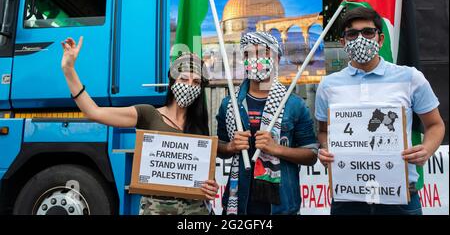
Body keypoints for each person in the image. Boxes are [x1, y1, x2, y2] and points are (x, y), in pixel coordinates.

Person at [61, 36, 219, 215]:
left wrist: (210, 187)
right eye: (184, 79)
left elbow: (207, 177)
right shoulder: (148, 114)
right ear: (173, 82)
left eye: (196, 82)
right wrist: (69, 69)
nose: (189, 86)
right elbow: (93, 112)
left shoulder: (199, 127)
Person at [315, 7, 445, 215]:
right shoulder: (328, 85)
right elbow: (323, 131)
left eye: (367, 32)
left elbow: (435, 125)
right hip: (348, 196)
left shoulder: (411, 78)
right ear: (343, 43)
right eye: (352, 34)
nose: (360, 38)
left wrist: (426, 150)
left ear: (380, 39)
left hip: (401, 196)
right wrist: (326, 148)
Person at [216, 31, 318, 215]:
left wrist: (276, 149)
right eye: (249, 54)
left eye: (263, 53)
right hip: (239, 205)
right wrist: (231, 146)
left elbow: (311, 154)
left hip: (282, 206)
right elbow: (219, 148)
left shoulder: (294, 105)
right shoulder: (229, 104)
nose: (256, 59)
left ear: (277, 59)